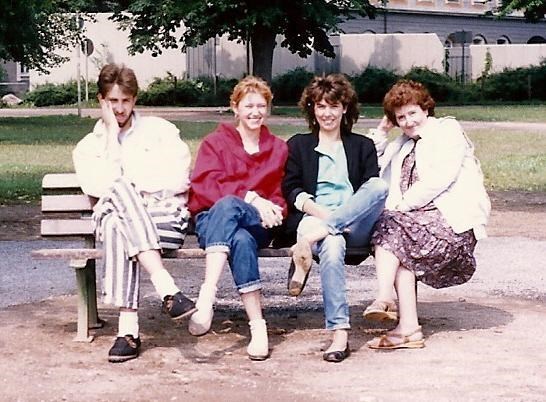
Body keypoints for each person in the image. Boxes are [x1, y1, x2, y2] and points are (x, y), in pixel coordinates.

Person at [73, 63, 196, 363]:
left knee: (120, 215)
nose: (119, 108)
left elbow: (179, 178)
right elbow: (98, 188)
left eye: (125, 100)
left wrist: (137, 191)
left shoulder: (160, 131)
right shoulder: (88, 147)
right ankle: (167, 290)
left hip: (165, 220)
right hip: (123, 222)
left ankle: (128, 333)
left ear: (134, 99)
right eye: (112, 101)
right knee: (117, 215)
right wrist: (112, 138)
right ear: (101, 101)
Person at [363, 80, 491, 349]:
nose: (408, 122)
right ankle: (408, 329)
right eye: (400, 117)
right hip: (414, 225)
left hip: (451, 226)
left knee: (390, 226)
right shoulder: (402, 144)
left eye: (412, 113)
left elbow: (438, 179)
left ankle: (385, 296)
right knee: (396, 244)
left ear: (425, 109)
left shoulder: (447, 131)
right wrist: (382, 130)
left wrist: (400, 207)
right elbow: (370, 163)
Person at [281, 74, 388, 362]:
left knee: (378, 186)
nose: (327, 113)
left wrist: (338, 220)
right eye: (321, 106)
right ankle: (340, 332)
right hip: (315, 219)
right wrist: (322, 215)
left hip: (356, 223)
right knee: (332, 244)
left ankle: (314, 238)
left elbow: (371, 191)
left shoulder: (362, 146)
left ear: (345, 109)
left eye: (334, 106)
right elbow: (291, 189)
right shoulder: (299, 145)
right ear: (312, 110)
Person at [187, 75, 288, 361]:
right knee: (238, 235)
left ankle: (207, 298)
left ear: (268, 108)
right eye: (248, 106)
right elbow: (205, 188)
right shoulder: (215, 143)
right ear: (235, 108)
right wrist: (253, 197)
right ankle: (258, 327)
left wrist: (274, 209)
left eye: (261, 105)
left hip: (259, 224)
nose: (255, 112)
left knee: (239, 218)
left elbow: (281, 195)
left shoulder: (278, 148)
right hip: (212, 220)